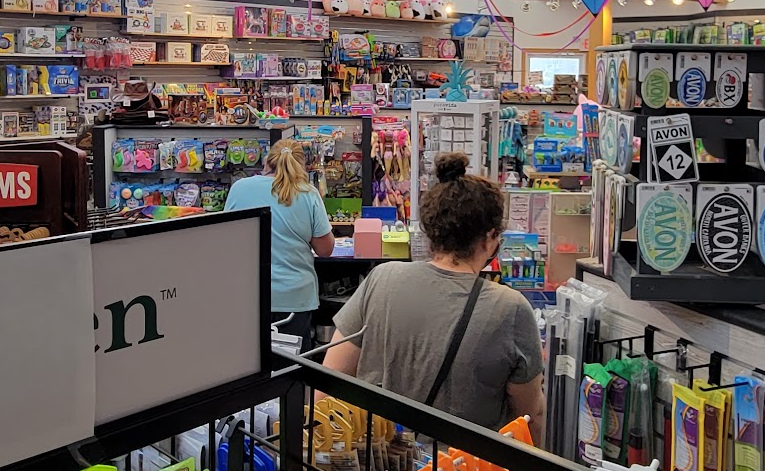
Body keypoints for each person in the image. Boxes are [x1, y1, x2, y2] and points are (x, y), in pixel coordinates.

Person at [323, 152, 544, 432]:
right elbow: (529, 416)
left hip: (380, 454)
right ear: (490, 238)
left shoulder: (382, 278)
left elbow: (328, 385)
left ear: (431, 230)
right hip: (462, 459)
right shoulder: (510, 308)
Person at [225, 137, 334, 348]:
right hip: (294, 299)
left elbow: (227, 241)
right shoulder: (308, 193)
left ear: (267, 161)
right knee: (292, 364)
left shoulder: (240, 188)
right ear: (301, 166)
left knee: (248, 361)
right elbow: (325, 249)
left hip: (248, 295)